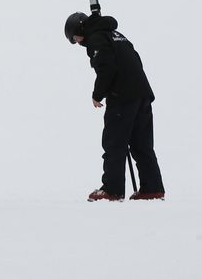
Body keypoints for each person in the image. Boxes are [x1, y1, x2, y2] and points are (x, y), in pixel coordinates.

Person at [64, 11, 165, 201]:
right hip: (142, 93)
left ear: (79, 30)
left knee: (114, 143)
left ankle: (112, 190)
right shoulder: (116, 35)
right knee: (141, 144)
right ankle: (152, 189)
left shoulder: (96, 39)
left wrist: (97, 94)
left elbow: (107, 68)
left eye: (74, 38)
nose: (77, 42)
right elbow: (135, 60)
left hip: (123, 97)